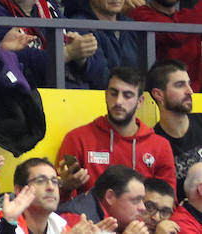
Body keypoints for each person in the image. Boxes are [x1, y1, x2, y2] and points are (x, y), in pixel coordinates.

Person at [60, 69, 177, 197]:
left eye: (127, 95)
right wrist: (65, 188)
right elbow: (61, 204)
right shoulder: (77, 139)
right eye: (114, 93)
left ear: (140, 101)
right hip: (90, 216)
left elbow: (168, 201)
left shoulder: (160, 146)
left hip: (142, 216)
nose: (118, 102)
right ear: (105, 95)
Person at [146, 60, 202, 195]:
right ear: (158, 94)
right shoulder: (152, 145)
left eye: (188, 83)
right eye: (180, 85)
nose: (190, 91)